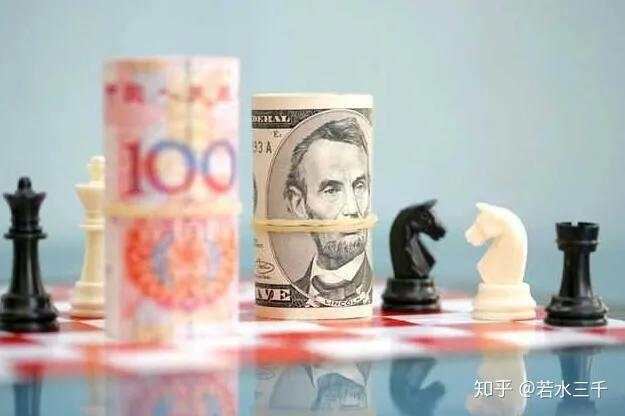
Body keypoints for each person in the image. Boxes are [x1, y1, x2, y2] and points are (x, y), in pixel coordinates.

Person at [283, 117, 372, 303]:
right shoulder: (296, 288)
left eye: (359, 186)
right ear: (299, 204)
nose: (352, 209)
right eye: (332, 190)